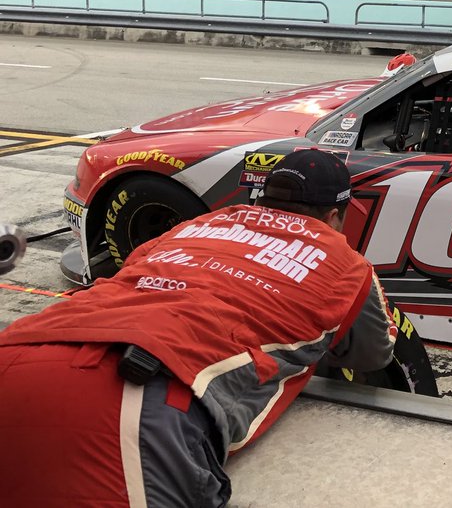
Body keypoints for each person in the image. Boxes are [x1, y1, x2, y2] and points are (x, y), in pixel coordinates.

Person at [0, 150, 397, 507]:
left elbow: (135, 279)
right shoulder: (346, 263)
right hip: (137, 394)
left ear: (262, 198)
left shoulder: (196, 226)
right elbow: (373, 354)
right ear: (334, 216)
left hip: (24, 347)